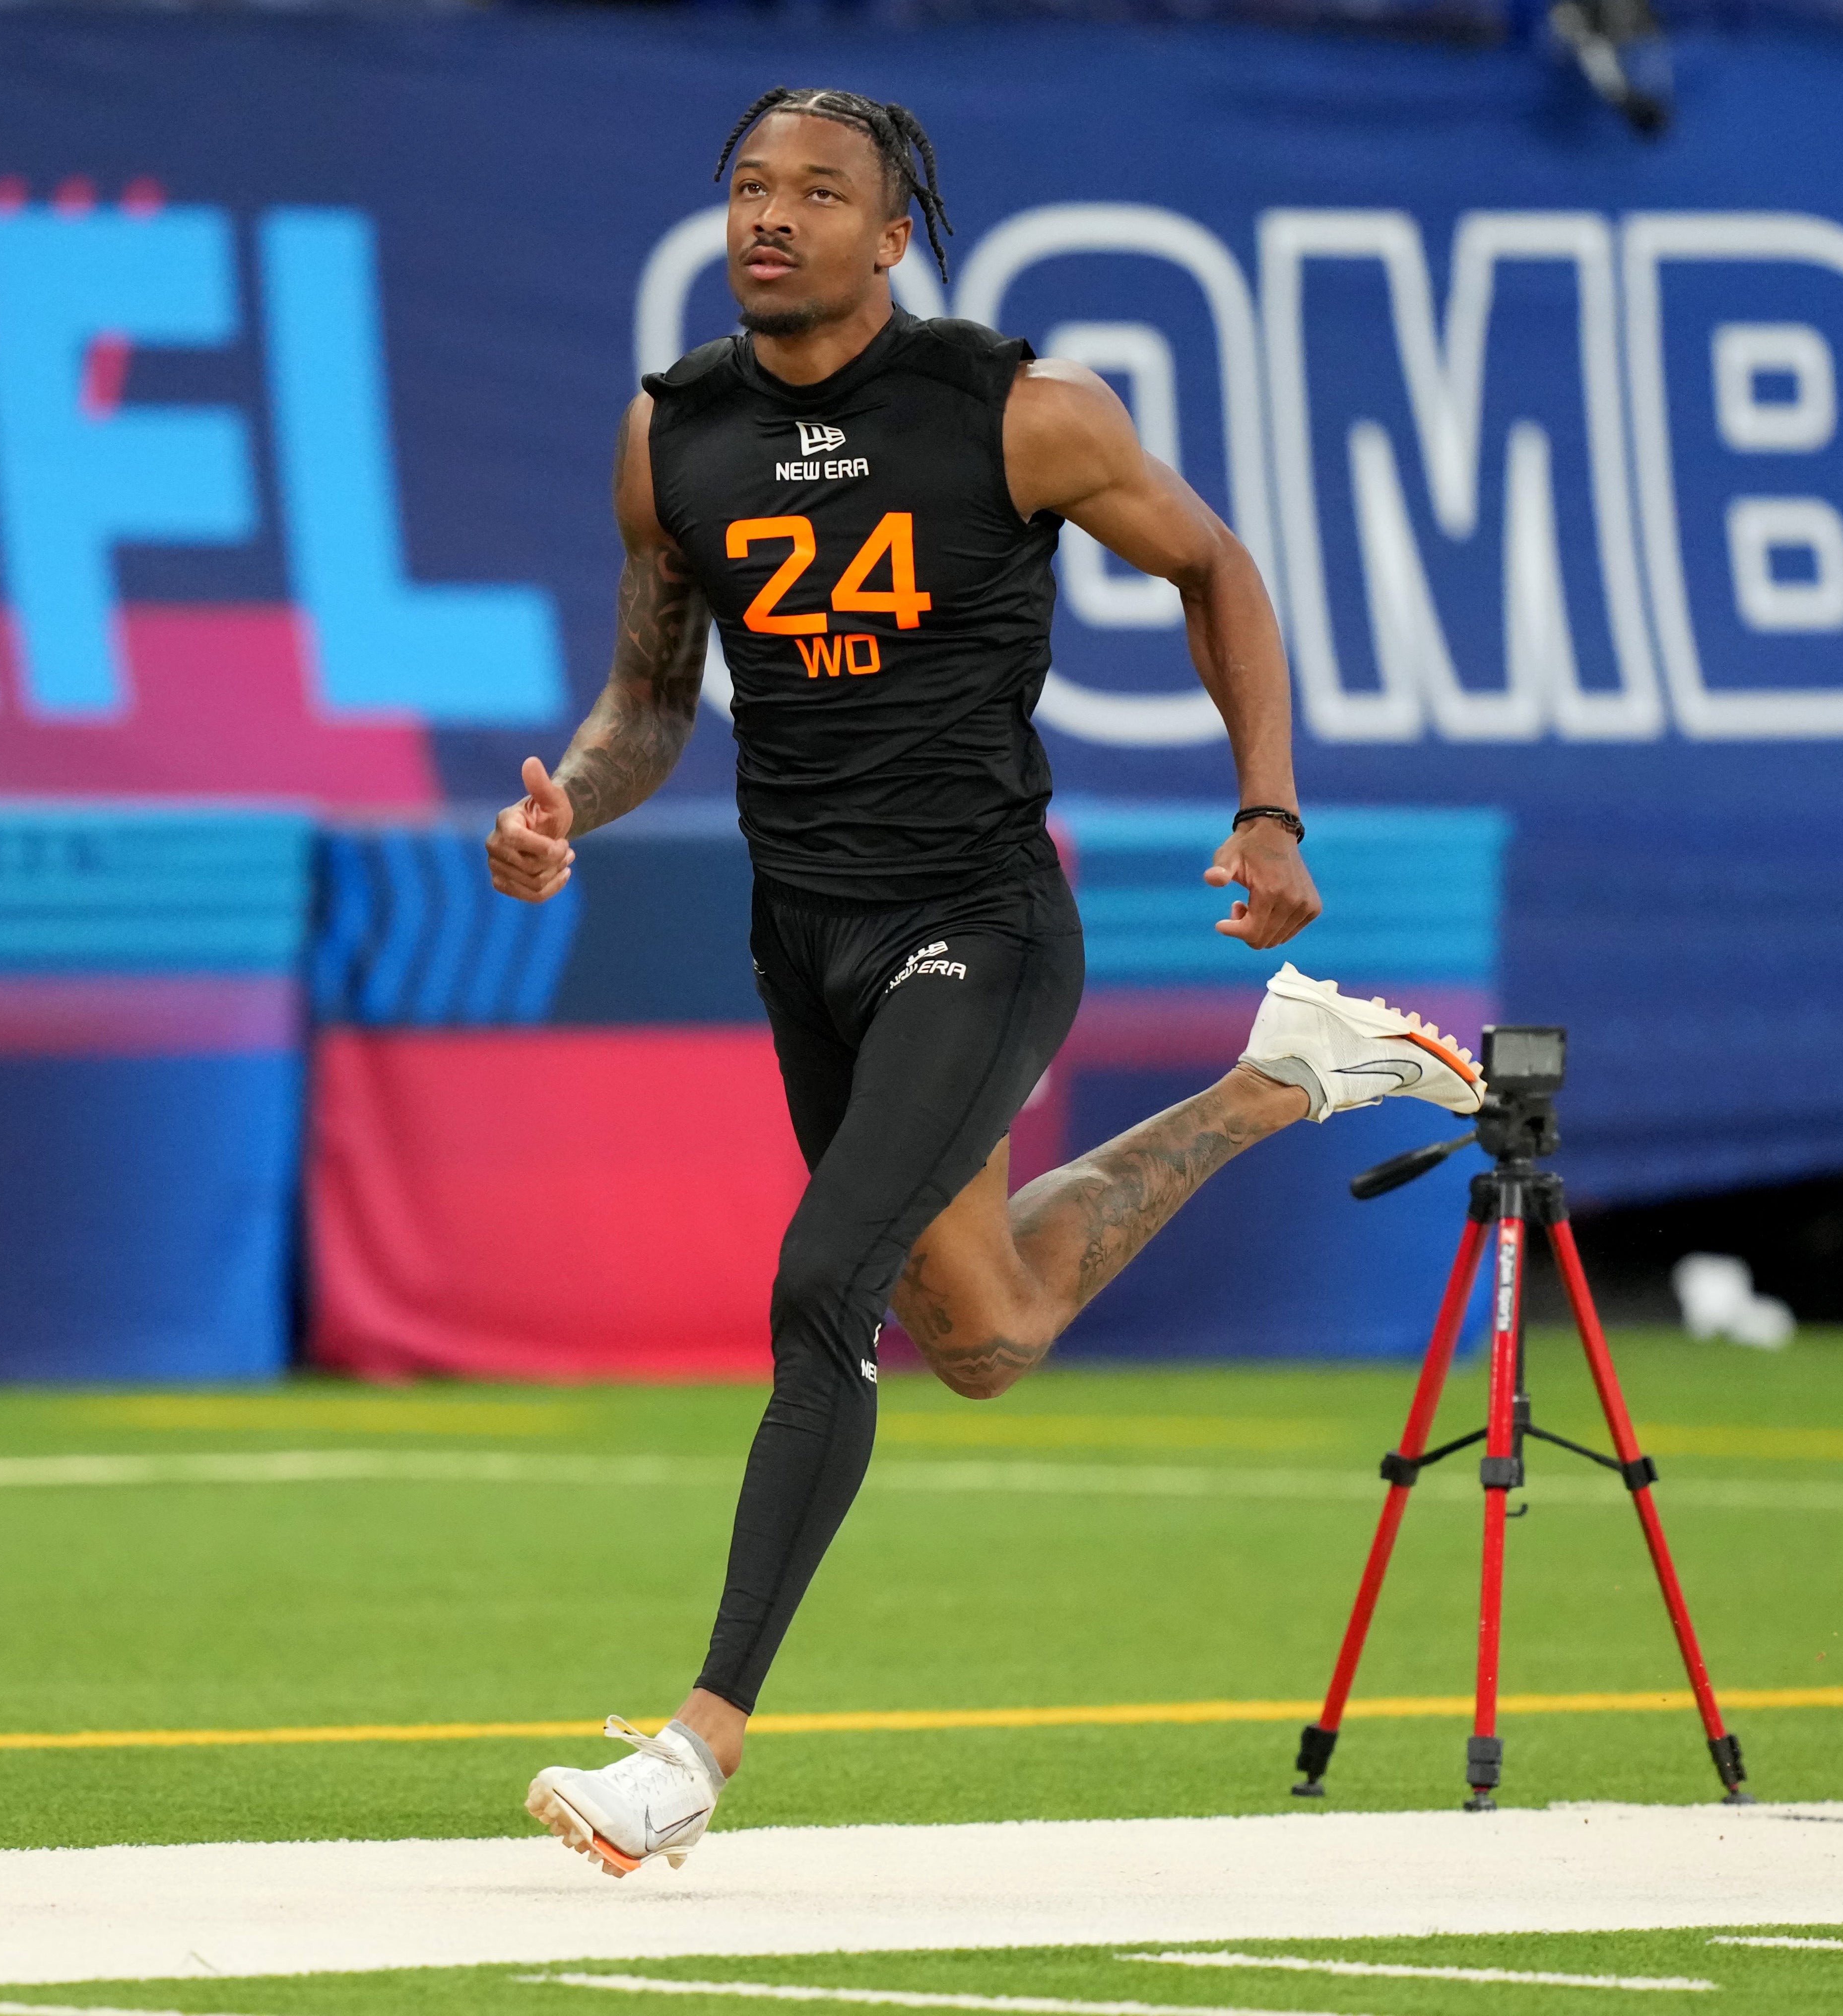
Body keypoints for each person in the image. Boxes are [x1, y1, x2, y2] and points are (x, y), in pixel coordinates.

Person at [486, 84, 1482, 1879]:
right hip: (806, 938)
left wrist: (1268, 808)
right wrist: (571, 808)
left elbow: (1215, 567)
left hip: (980, 923)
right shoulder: (672, 436)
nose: (769, 219)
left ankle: (694, 1751)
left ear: (891, 235)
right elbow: (649, 700)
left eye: (817, 194)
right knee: (987, 1337)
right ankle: (1289, 1076)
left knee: (820, 1286)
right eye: (746, 190)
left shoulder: (1017, 414)